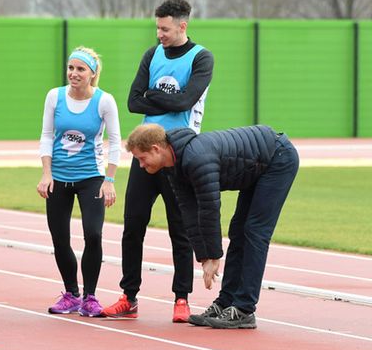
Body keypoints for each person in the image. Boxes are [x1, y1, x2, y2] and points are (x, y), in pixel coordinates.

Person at [103, 0, 214, 323]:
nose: (160, 34)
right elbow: (134, 102)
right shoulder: (152, 55)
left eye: (165, 29)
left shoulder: (201, 58)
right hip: (144, 155)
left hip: (178, 155)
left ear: (183, 26)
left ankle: (181, 298)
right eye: (157, 28)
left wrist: (155, 96)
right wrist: (165, 101)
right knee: (132, 226)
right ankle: (129, 296)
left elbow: (186, 100)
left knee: (180, 230)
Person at [124, 123, 299, 329]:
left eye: (142, 159)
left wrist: (214, 256)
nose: (141, 166)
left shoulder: (196, 158)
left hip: (277, 159)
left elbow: (209, 208)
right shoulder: (173, 166)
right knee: (238, 230)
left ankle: (243, 309)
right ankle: (226, 302)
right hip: (258, 165)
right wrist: (204, 256)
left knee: (254, 231)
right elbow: (189, 212)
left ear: (156, 148)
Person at [37, 47, 121, 317]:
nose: (74, 73)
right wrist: (46, 173)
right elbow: (47, 135)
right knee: (60, 238)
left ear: (92, 73)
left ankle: (91, 297)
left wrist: (109, 180)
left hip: (91, 178)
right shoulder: (55, 96)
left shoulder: (104, 101)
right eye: (71, 68)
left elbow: (116, 142)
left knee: (93, 235)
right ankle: (71, 294)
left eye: (80, 69)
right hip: (59, 177)